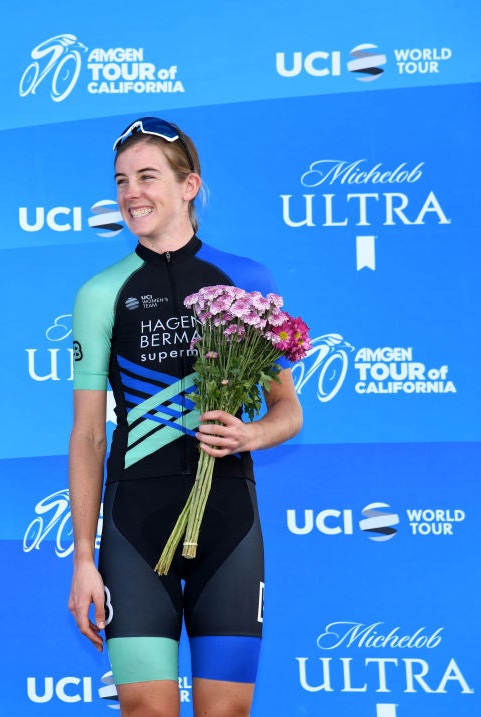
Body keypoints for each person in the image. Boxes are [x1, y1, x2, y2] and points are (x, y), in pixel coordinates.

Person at [67, 117, 303, 717]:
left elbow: (288, 411)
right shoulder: (102, 292)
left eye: (147, 176)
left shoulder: (244, 279)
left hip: (227, 518)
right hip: (135, 525)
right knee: (146, 710)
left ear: (189, 185)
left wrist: (251, 433)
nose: (130, 193)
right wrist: (83, 560)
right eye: (121, 180)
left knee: (224, 713)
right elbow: (89, 434)